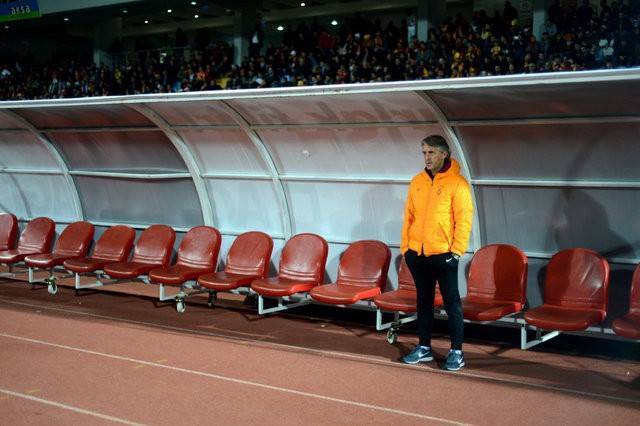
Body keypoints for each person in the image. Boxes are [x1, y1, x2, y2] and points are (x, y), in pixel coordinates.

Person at [400, 135, 473, 370]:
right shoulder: (417, 181)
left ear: (444, 154)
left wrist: (456, 252)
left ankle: (457, 351)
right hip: (417, 254)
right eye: (424, 153)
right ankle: (424, 347)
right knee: (423, 301)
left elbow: (464, 220)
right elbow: (408, 217)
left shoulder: (458, 184)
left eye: (431, 152)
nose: (427, 157)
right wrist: (406, 249)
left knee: (452, 302)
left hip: (444, 254)